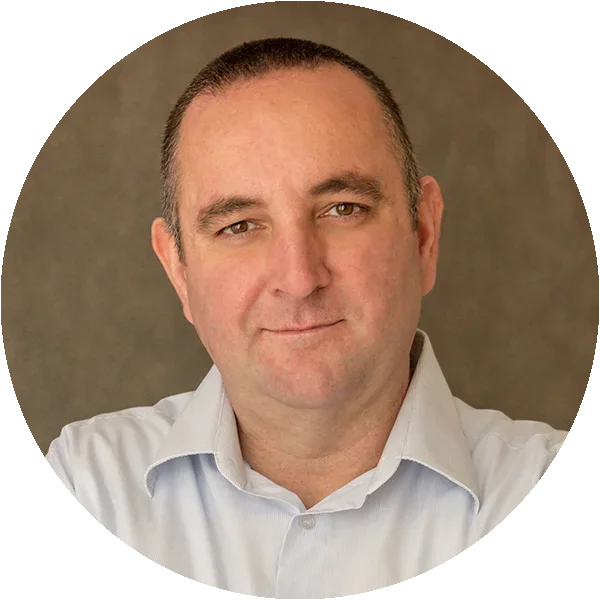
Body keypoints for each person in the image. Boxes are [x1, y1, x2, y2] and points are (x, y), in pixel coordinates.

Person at [44, 38, 571, 596]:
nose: (299, 278)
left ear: (423, 234)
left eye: (343, 209)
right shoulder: (82, 493)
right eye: (239, 226)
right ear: (178, 270)